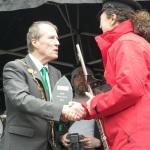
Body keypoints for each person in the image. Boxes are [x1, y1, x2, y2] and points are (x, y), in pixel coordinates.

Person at [68, 0, 150, 150]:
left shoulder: (126, 43)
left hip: (132, 136)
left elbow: (129, 89)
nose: (99, 26)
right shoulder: (131, 42)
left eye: (101, 20)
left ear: (112, 18)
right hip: (132, 133)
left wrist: (90, 105)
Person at [1, 21, 86, 150]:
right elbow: (21, 100)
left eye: (57, 38)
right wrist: (62, 109)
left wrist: (65, 118)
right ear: (35, 42)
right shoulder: (15, 67)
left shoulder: (56, 73)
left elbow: (54, 116)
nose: (57, 42)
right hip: (22, 145)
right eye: (51, 38)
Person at [59, 65, 104, 150]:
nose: (82, 80)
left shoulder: (100, 102)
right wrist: (61, 138)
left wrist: (99, 142)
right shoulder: (65, 103)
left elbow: (113, 129)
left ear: (92, 81)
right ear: (72, 81)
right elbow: (53, 129)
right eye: (77, 76)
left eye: (85, 77)